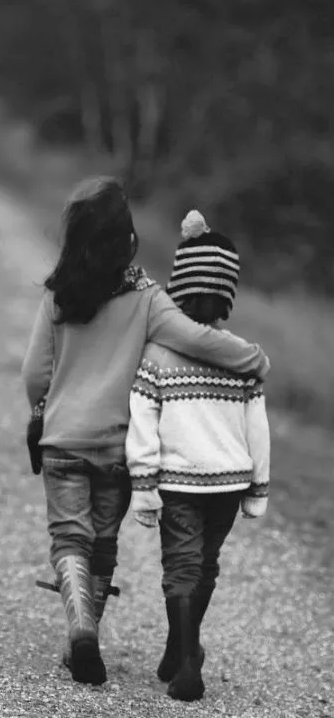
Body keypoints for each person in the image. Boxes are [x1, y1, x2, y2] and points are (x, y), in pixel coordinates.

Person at [22, 180, 270, 688]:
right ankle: (87, 635)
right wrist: (254, 359)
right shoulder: (148, 298)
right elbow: (198, 339)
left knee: (70, 536)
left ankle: (82, 628)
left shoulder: (58, 296)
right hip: (116, 446)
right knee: (103, 543)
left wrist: (43, 411)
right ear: (127, 240)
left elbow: (34, 373)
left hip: (63, 441)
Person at [126, 210, 271, 702]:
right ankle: (180, 649)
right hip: (229, 482)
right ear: (227, 296)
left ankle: (187, 661)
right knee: (205, 565)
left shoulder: (158, 355)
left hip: (179, 481)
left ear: (177, 289)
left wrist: (143, 486)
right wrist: (259, 487)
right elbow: (258, 428)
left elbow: (142, 422)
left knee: (181, 567)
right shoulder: (240, 356)